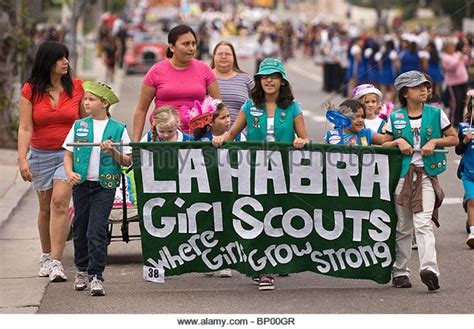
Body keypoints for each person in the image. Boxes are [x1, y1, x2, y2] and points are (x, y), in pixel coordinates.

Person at [212, 58, 309, 291]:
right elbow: (232, 133)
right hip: (254, 171)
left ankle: (279, 256)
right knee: (259, 216)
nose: (268, 80)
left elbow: (305, 138)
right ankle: (262, 268)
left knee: (279, 215)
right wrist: (220, 138)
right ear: (258, 81)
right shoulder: (249, 105)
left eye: (273, 76)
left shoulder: (293, 107)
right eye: (264, 76)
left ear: (282, 81)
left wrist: (301, 141)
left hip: (284, 172)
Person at [383, 70, 458, 291]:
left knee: (423, 223)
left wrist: (435, 141)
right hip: (402, 178)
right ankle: (400, 272)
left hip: (426, 176)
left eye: (426, 86)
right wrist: (398, 142)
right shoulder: (395, 117)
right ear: (405, 93)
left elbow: (453, 138)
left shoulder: (437, 114)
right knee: (404, 226)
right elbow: (382, 143)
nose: (424, 90)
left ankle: (429, 269)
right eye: (418, 87)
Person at [17, 41, 85, 282]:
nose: (66, 62)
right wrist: (22, 159)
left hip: (68, 155)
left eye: (66, 57)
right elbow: (25, 127)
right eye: (60, 58)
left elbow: (85, 123)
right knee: (45, 207)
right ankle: (45, 255)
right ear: (47, 62)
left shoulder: (77, 88)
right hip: (40, 155)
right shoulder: (30, 90)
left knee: (59, 203)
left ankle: (56, 262)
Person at [63, 81, 132, 296]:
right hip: (82, 184)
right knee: (80, 229)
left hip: (105, 185)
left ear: (104, 103)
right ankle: (81, 269)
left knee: (97, 230)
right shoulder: (79, 125)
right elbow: (68, 153)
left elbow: (128, 161)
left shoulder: (118, 128)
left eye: (91, 99)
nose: (86, 103)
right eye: (85, 99)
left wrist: (113, 153)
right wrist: (69, 173)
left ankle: (96, 275)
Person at [132, 24, 221, 141]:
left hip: (198, 139)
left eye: (194, 44)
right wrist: (135, 145)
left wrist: (219, 137)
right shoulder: (156, 71)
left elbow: (218, 106)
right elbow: (141, 110)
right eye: (186, 44)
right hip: (163, 138)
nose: (191, 48)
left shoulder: (204, 69)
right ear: (172, 47)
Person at [210, 41, 254, 126]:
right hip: (211, 136)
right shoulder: (205, 78)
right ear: (214, 56)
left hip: (241, 136)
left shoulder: (246, 79)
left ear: (234, 57)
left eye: (227, 54)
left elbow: (258, 105)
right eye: (220, 54)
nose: (223, 57)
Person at [455, 90, 474, 249]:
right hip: (468, 172)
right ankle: (473, 233)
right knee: (473, 201)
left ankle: (470, 221)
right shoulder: (464, 127)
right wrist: (465, 141)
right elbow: (458, 150)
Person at [441, 40, 469, 128]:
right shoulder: (445, 57)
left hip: (463, 81)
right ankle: (453, 123)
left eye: (453, 46)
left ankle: (461, 121)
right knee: (456, 103)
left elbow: (467, 61)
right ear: (446, 48)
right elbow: (451, 67)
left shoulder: (456, 54)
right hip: (453, 83)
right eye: (451, 46)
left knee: (463, 102)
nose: (453, 48)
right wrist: (459, 58)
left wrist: (465, 55)